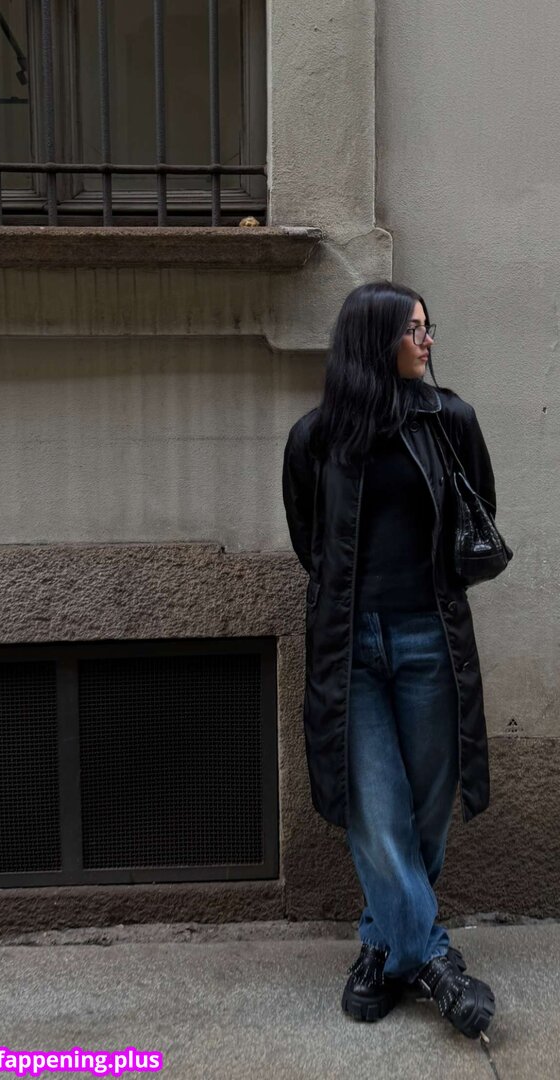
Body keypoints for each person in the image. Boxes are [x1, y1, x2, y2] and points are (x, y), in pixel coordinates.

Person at [282, 280, 504, 1040]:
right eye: (414, 329)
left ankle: (383, 945)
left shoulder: (451, 421)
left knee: (429, 807)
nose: (427, 340)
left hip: (429, 640)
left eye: (427, 327)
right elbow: (311, 542)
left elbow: (479, 511)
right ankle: (435, 963)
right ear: (375, 340)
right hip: (352, 649)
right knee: (375, 811)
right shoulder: (316, 439)